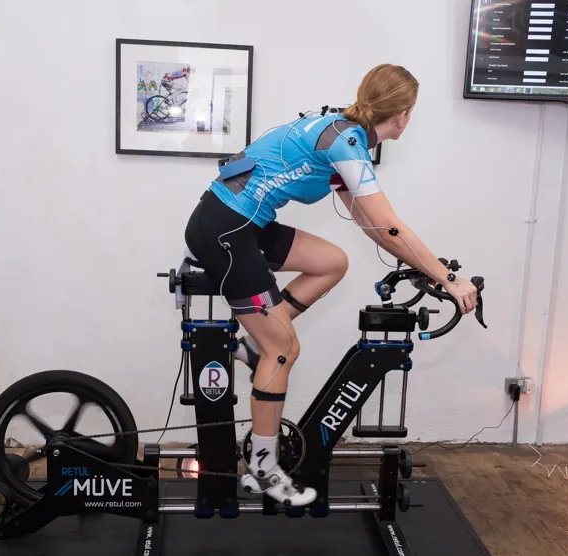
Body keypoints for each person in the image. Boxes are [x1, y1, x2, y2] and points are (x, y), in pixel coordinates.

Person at [184, 64, 478, 506]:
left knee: (330, 262)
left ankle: (250, 347)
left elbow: (370, 223)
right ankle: (263, 470)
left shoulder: (342, 136)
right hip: (225, 230)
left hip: (243, 224)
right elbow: (389, 225)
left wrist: (422, 265)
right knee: (283, 349)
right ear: (403, 115)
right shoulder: (347, 141)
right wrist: (449, 278)